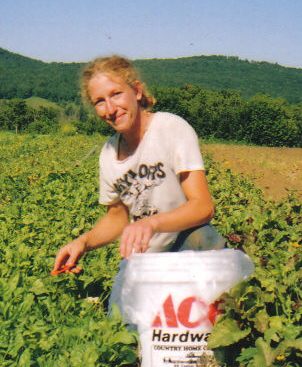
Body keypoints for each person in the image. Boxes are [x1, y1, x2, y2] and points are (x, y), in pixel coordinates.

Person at [53, 55, 225, 287]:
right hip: (146, 257)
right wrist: (83, 242)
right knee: (125, 318)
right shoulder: (108, 153)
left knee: (204, 238)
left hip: (186, 243)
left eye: (116, 94)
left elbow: (203, 206)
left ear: (136, 91)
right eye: (100, 101)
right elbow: (117, 216)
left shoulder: (170, 129)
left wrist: (151, 223)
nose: (111, 109)